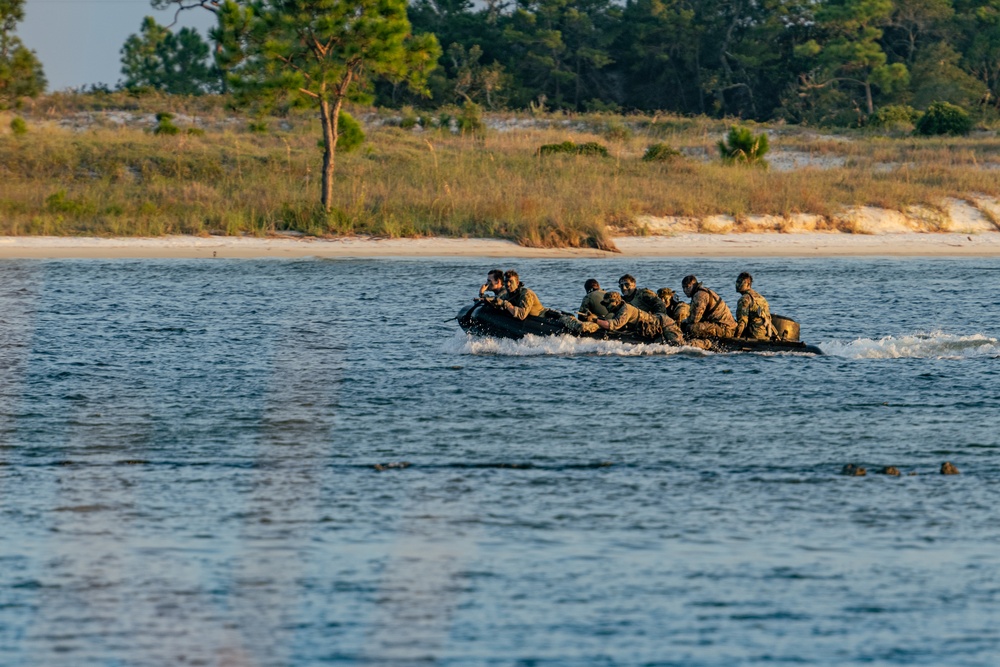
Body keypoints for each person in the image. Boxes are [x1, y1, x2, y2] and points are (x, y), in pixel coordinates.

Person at [597, 291, 686, 345]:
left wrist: (595, 320)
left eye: (608, 304)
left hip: (663, 324)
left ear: (616, 302)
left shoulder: (626, 309)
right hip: (651, 331)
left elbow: (615, 324)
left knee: (679, 346)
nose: (606, 307)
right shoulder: (619, 310)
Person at [681, 274, 736, 339]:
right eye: (683, 287)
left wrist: (683, 322)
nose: (685, 290)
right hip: (725, 325)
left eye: (688, 287)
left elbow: (694, 319)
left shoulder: (699, 296)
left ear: (694, 285)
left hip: (726, 329)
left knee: (691, 328)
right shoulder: (702, 291)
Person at [733, 272, 776, 339]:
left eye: (740, 282)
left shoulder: (744, 299)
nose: (737, 285)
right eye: (736, 282)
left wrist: (735, 338)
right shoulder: (762, 298)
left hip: (753, 336)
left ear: (748, 284)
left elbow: (742, 323)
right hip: (766, 336)